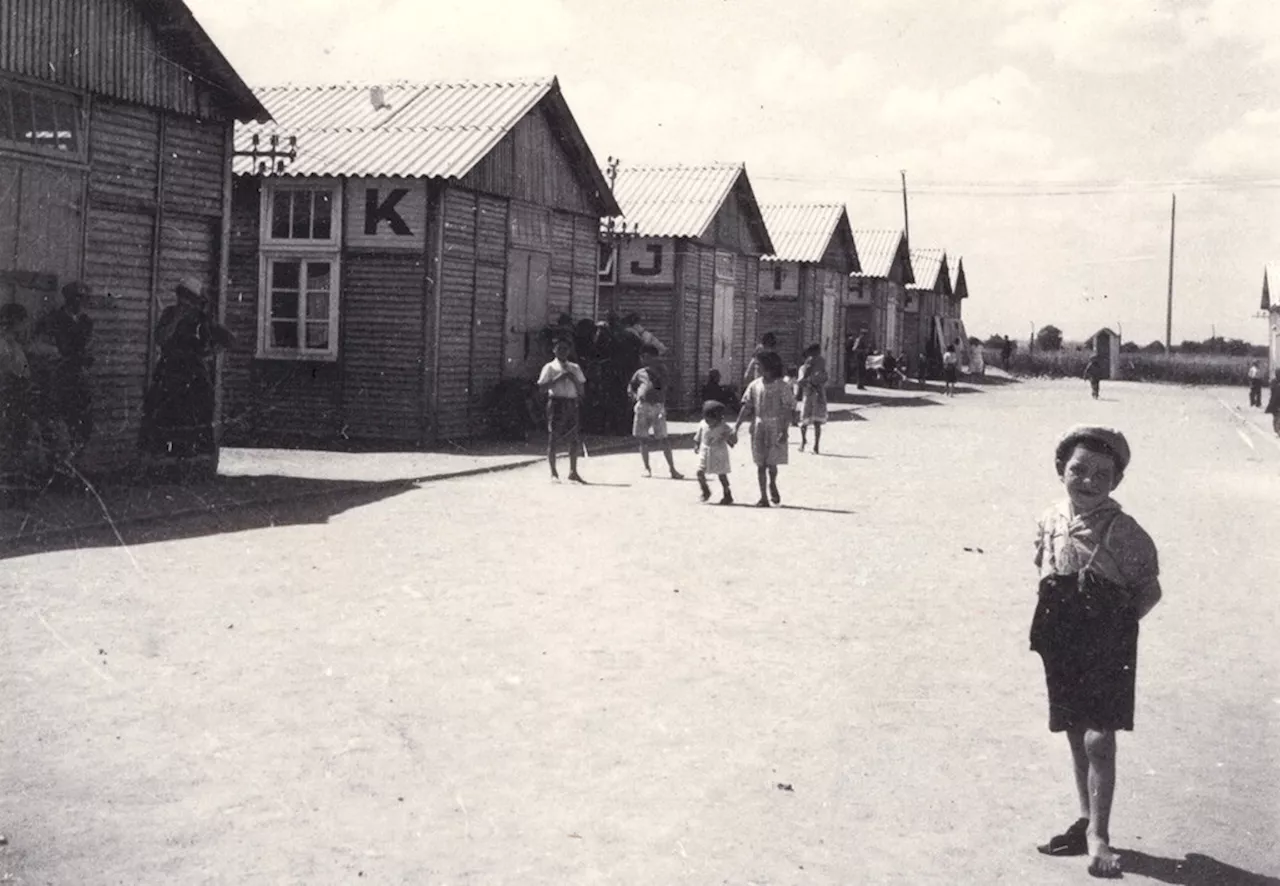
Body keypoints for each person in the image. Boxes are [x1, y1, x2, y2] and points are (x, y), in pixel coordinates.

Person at [1030, 426, 1163, 880]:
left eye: (1101, 475)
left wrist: (1115, 632)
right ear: (1060, 471)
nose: (1087, 481)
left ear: (1116, 482)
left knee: (1098, 737)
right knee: (1073, 729)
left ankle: (1100, 836)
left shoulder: (1125, 531)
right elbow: (1045, 566)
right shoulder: (1050, 518)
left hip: (1107, 643)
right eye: (1078, 470)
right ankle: (1086, 820)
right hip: (1060, 638)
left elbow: (1150, 591)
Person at [139, 278, 234, 473]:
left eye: (189, 298)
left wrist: (209, 353)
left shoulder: (202, 320)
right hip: (170, 370)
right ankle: (161, 462)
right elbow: (160, 338)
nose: (184, 301)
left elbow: (227, 338)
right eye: (181, 296)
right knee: (162, 413)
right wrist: (176, 320)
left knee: (193, 415)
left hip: (193, 373)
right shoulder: (169, 314)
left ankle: (188, 464)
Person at [34, 281, 95, 460]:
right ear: (68, 299)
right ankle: (56, 467)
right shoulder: (53, 320)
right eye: (77, 298)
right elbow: (45, 348)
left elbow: (90, 347)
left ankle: (75, 466)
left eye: (84, 298)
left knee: (83, 422)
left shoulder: (86, 322)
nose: (81, 302)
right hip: (58, 377)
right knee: (58, 423)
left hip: (80, 376)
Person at [733, 350, 794, 508]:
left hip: (775, 426)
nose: (756, 369)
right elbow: (747, 407)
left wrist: (784, 430)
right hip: (759, 426)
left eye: (758, 365)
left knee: (772, 463)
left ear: (769, 366)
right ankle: (763, 497)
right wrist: (736, 427)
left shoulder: (782, 386)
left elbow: (788, 409)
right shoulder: (754, 385)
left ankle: (772, 483)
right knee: (760, 463)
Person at [628, 344, 684, 479]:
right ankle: (646, 468)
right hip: (643, 406)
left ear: (654, 357)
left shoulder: (661, 370)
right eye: (642, 357)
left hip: (657, 407)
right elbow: (631, 386)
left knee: (663, 438)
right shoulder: (640, 373)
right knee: (643, 438)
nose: (644, 360)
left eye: (647, 357)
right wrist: (634, 395)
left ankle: (672, 469)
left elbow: (664, 385)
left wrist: (655, 369)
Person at [536, 335, 587, 483]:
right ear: (554, 350)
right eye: (559, 349)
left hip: (571, 402)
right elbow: (541, 389)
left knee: (574, 438)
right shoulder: (550, 367)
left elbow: (582, 390)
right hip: (556, 402)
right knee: (554, 437)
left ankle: (573, 471)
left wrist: (573, 379)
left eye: (565, 349)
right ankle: (554, 472)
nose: (563, 352)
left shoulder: (575, 368)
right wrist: (558, 378)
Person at [0, 303, 35, 485]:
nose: (25, 327)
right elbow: (8, 374)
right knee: (8, 441)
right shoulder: (5, 345)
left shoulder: (14, 345)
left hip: (18, 399)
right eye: (23, 323)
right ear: (16, 322)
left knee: (17, 441)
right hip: (9, 399)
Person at [692, 399, 734, 504]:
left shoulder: (724, 427)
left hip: (719, 452)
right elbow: (698, 437)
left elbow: (732, 440)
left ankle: (727, 494)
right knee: (699, 472)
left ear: (718, 418)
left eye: (711, 419)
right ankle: (705, 491)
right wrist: (696, 444)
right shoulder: (702, 424)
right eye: (706, 419)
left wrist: (730, 438)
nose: (708, 422)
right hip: (705, 451)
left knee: (722, 474)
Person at [796, 344, 828, 454]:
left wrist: (816, 380)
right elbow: (800, 382)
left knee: (817, 422)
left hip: (817, 395)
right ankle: (803, 441)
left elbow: (824, 378)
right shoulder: (803, 368)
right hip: (809, 395)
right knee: (804, 421)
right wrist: (808, 379)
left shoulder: (821, 365)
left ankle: (816, 445)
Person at [1266, 368, 1280, 437]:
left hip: (1276, 402)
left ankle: (1278, 430)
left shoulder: (1274, 382)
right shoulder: (1274, 382)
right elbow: (1273, 391)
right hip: (1274, 402)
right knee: (1276, 417)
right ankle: (1277, 430)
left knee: (1277, 417)